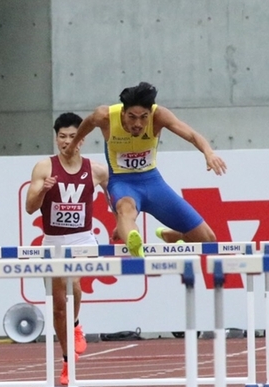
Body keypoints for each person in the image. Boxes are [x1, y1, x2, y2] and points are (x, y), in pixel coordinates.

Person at [66, 82, 227, 257]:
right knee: (125, 211)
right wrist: (73, 145)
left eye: (144, 117)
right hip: (122, 182)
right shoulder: (105, 116)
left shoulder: (159, 116)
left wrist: (208, 153)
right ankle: (134, 242)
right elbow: (88, 123)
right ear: (122, 112)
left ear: (150, 113)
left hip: (153, 183)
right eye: (132, 117)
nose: (138, 123)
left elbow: (191, 135)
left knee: (209, 240)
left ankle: (175, 236)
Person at [25, 112, 109, 385]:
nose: (66, 142)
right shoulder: (44, 168)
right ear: (56, 138)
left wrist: (123, 223)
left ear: (81, 140)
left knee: (72, 283)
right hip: (53, 241)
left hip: (83, 239)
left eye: (72, 137)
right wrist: (42, 192)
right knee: (58, 308)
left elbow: (117, 196)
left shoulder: (96, 170)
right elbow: (29, 208)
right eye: (62, 137)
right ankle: (67, 357)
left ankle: (75, 328)